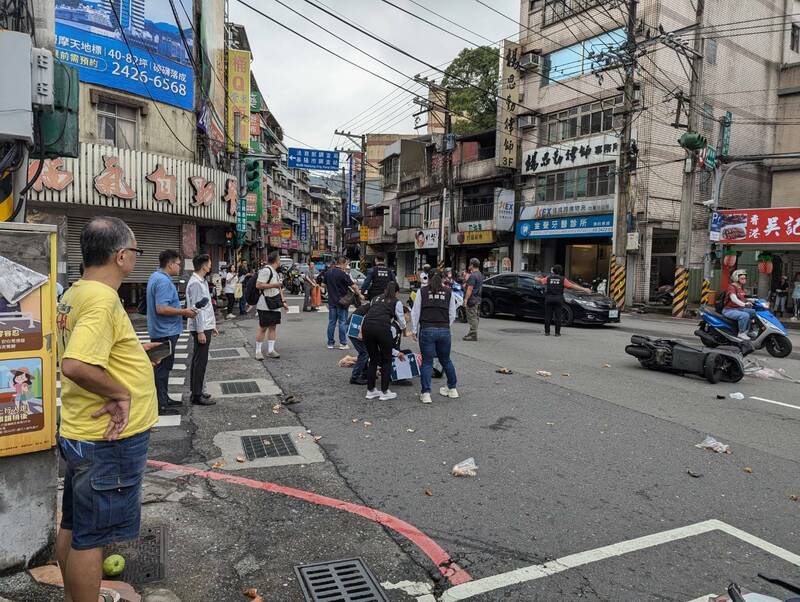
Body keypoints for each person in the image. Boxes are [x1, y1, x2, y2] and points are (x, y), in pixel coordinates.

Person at [55, 217, 158, 602]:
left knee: (76, 525)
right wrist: (122, 392)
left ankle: (75, 596)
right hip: (107, 441)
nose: (134, 257)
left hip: (83, 433)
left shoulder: (77, 293)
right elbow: (77, 364)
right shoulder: (101, 299)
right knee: (92, 538)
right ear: (121, 256)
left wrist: (131, 357)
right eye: (135, 251)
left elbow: (92, 350)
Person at [146, 249, 196, 416]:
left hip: (160, 330)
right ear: (170, 264)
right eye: (178, 264)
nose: (179, 267)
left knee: (163, 368)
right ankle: (161, 404)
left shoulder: (155, 277)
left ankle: (164, 398)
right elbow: (161, 308)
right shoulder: (163, 282)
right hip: (165, 331)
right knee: (161, 369)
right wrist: (184, 312)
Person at [411, 271, 458, 404]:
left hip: (427, 329)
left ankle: (426, 393)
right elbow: (452, 314)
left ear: (428, 278)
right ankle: (452, 389)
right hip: (444, 330)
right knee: (446, 360)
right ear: (443, 278)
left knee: (427, 362)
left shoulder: (422, 291)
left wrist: (414, 330)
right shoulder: (449, 292)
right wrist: (444, 326)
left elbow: (415, 312)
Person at [362, 282, 406, 401]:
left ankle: (370, 391)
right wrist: (405, 331)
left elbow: (369, 313)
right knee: (386, 360)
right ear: (396, 292)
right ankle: (384, 392)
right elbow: (401, 321)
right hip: (382, 328)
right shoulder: (396, 301)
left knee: (373, 359)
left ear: (385, 290)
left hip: (366, 327)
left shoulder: (375, 298)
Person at [185, 254, 218, 406]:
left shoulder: (201, 281)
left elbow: (206, 307)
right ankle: (196, 395)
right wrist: (200, 331)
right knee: (200, 362)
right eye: (209, 264)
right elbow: (196, 309)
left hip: (206, 325)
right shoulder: (196, 284)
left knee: (199, 361)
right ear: (204, 266)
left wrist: (213, 326)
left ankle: (196, 391)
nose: (210, 266)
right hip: (201, 327)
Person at [535, 264, 591, 337]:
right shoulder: (562, 279)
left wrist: (536, 278)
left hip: (549, 299)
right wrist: (584, 289)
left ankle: (547, 332)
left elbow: (540, 281)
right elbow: (572, 286)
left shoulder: (548, 278)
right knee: (558, 316)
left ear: (553, 271)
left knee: (548, 316)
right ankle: (557, 333)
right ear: (560, 271)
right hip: (558, 299)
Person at [255, 250, 288, 360]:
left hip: (275, 303)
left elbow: (279, 288)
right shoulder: (266, 270)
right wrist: (274, 285)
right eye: (279, 259)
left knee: (273, 327)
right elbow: (258, 285)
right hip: (265, 303)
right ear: (276, 260)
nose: (280, 261)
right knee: (263, 327)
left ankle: (270, 350)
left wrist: (283, 302)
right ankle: (258, 351)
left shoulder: (275, 272)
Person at [324, 256, 363, 350]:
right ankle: (343, 343)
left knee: (332, 322)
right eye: (346, 264)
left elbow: (323, 285)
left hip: (332, 301)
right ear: (342, 263)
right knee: (342, 322)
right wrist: (360, 295)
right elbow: (354, 286)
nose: (346, 266)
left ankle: (330, 343)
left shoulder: (328, 273)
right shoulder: (342, 274)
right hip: (342, 302)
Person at [723, 269, 757, 340]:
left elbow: (743, 299)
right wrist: (744, 305)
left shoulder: (740, 288)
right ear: (736, 278)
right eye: (742, 278)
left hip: (738, 309)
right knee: (745, 315)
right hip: (729, 310)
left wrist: (755, 301)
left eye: (745, 278)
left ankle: (750, 330)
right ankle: (741, 333)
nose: (744, 279)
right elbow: (734, 299)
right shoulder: (732, 287)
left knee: (755, 312)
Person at [348, 303, 371, 385]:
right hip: (354, 327)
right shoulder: (377, 306)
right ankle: (355, 377)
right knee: (364, 353)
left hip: (355, 325)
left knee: (366, 351)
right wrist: (360, 333)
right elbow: (366, 318)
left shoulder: (375, 303)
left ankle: (365, 373)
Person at [462, 258, 484, 341]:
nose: (469, 266)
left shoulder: (473, 275)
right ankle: (472, 332)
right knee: (475, 316)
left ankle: (473, 334)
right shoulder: (480, 274)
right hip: (477, 298)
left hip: (472, 299)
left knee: (472, 317)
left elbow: (470, 289)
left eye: (470, 264)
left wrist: (466, 299)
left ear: (472, 265)